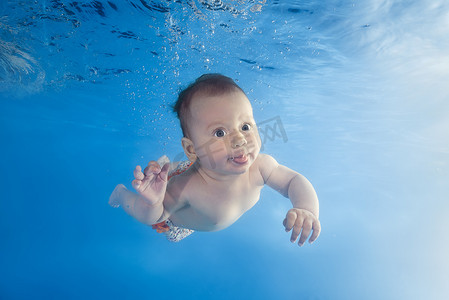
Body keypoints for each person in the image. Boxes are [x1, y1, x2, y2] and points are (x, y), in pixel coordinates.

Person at [109, 73, 321, 245]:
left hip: (201, 165)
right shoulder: (186, 188)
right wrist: (153, 202)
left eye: (245, 127)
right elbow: (156, 217)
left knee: (184, 166)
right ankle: (121, 194)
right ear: (191, 149)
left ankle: (167, 165)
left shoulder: (262, 167)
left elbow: (294, 181)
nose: (239, 140)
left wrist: (306, 208)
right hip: (178, 224)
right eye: (220, 133)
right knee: (145, 209)